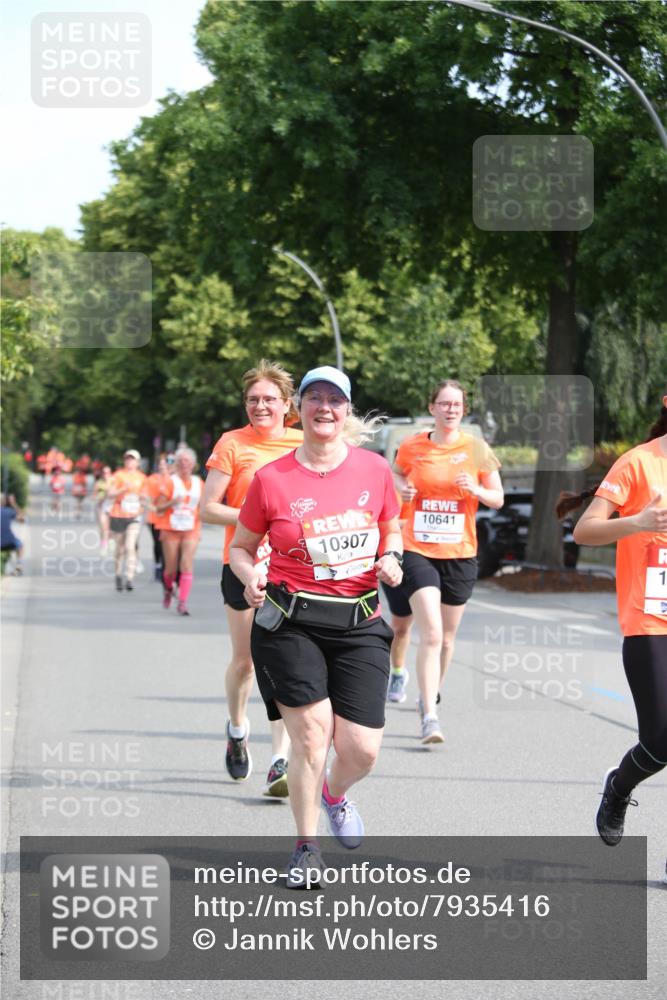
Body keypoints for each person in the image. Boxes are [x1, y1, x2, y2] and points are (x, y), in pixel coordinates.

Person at [230, 365, 403, 885]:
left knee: (361, 750)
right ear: (298, 409)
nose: (324, 408)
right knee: (310, 736)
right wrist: (250, 577)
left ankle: (334, 794)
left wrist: (392, 557)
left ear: (346, 410)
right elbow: (241, 547)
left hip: (359, 621)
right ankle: (306, 848)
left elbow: (391, 529)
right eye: (314, 398)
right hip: (291, 622)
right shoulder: (271, 479)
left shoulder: (374, 470)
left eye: (335, 400)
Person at [559, 391, 667, 873]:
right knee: (661, 740)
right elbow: (585, 530)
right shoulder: (638, 463)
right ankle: (620, 786)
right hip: (650, 620)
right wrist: (638, 522)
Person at [201, 360, 302, 795]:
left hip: (293, 567)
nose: (260, 406)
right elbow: (208, 508)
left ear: (287, 403)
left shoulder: (303, 443)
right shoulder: (232, 443)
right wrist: (253, 518)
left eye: (268, 399)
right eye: (252, 399)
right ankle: (238, 728)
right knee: (245, 662)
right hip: (242, 564)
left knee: (284, 662)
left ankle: (280, 760)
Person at [393, 380, 503, 744]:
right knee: (432, 632)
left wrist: (476, 490)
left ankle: (431, 693)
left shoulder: (477, 449)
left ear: (463, 409)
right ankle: (430, 715)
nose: (450, 409)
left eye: (456, 404)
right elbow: (394, 474)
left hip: (460, 552)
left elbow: (498, 498)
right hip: (418, 549)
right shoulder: (412, 446)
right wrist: (403, 488)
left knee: (447, 639)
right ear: (432, 408)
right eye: (444, 403)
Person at [154, 447, 202, 616]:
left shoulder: (199, 483)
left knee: (186, 563)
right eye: (180, 461)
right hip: (170, 528)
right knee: (171, 569)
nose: (184, 464)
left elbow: (205, 505)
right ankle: (168, 590)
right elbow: (158, 508)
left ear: (193, 464)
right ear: (176, 464)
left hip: (191, 528)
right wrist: (171, 503)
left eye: (187, 461)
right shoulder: (170, 482)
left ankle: (182, 602)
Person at [106, 449, 146, 592]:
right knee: (120, 549)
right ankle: (118, 574)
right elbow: (110, 494)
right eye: (127, 459)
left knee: (130, 546)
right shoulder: (118, 475)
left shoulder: (142, 478)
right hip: (118, 515)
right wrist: (123, 489)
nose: (129, 461)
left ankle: (129, 577)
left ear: (137, 462)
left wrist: (142, 504)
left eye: (132, 459)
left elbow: (146, 497)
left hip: (134, 516)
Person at [143, 456, 170, 581]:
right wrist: (152, 507)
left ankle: (166, 567)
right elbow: (145, 498)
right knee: (158, 543)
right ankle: (158, 564)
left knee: (167, 543)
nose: (163, 467)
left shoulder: (173, 479)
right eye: (161, 464)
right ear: (157, 466)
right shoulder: (151, 479)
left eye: (165, 464)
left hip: (169, 518)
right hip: (155, 517)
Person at [1, 493, 25, 575]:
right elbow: (22, 519)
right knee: (20, 545)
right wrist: (14, 504)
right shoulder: (8, 511)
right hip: (9, 541)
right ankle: (18, 566)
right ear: (4, 502)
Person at [93, 465, 113, 553]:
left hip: (112, 507)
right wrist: (100, 497)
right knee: (103, 526)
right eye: (104, 472)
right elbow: (93, 497)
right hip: (101, 506)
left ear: (111, 473)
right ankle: (104, 544)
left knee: (111, 527)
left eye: (107, 472)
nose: (106, 474)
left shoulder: (114, 482)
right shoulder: (99, 483)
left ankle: (110, 540)